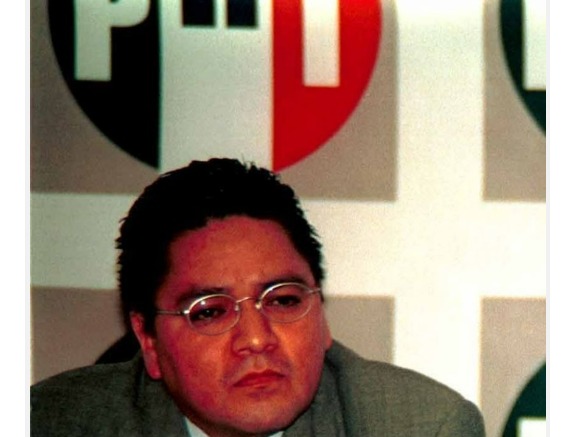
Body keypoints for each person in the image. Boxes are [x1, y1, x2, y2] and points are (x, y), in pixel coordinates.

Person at [31, 158, 485, 436]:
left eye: (283, 300)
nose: (256, 338)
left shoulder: (421, 427)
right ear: (148, 341)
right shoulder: (48, 424)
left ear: (321, 314)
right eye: (210, 312)